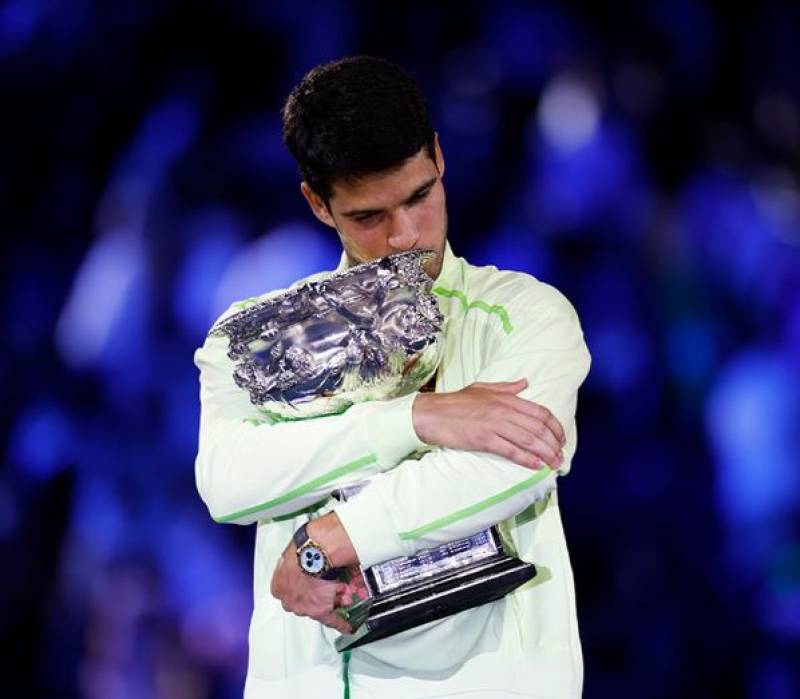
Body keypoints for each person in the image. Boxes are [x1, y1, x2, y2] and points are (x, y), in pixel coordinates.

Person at [194, 55, 591, 698]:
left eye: (419, 197)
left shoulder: (526, 314)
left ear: (438, 157)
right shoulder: (254, 335)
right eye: (369, 216)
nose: (406, 236)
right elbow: (228, 480)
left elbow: (516, 463)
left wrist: (330, 539)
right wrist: (412, 419)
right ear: (317, 204)